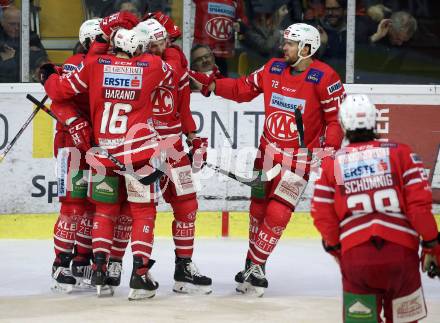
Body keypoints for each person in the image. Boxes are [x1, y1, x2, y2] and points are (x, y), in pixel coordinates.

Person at [190, 23, 345, 296]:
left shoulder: (325, 77)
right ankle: (253, 264)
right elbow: (241, 89)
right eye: (284, 42)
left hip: (299, 160)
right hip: (266, 156)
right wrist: (213, 84)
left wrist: (329, 149)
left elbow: (336, 120)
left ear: (307, 48)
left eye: (289, 43)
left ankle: (256, 264)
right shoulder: (273, 68)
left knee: (278, 212)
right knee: (258, 210)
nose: (283, 47)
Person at [42, 12, 177, 300]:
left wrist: (48, 76)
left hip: (101, 151)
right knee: (138, 212)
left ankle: (99, 266)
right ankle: (136, 273)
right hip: (135, 154)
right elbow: (173, 72)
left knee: (102, 210)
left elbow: (58, 89)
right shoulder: (151, 65)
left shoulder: (94, 65)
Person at [311, 94, 440, 323]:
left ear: (342, 125)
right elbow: (419, 208)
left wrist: (336, 247)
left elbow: (322, 212)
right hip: (401, 257)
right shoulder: (401, 154)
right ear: (374, 122)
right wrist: (432, 245)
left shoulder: (335, 163)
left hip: (356, 258)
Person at [45, 18, 102, 293]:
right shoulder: (76, 61)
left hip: (100, 144)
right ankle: (60, 263)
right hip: (72, 144)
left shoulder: (109, 63)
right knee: (73, 205)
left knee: (93, 205)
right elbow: (59, 97)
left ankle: (82, 258)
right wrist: (72, 121)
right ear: (91, 40)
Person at [192, 0, 248, 76]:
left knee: (221, 84)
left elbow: (243, 20)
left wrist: (240, 25)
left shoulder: (237, 2)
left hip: (224, 54)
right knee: (199, 82)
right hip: (202, 51)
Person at [0, 5, 47, 82]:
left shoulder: (31, 36)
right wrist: (25, 53)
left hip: (24, 84)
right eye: (12, 24)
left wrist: (12, 57)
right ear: (2, 23)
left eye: (19, 24)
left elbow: (42, 60)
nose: (17, 28)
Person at [241, 1, 290, 71]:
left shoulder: (276, 26)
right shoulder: (251, 30)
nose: (286, 12)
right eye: (283, 9)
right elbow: (266, 47)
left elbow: (282, 46)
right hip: (258, 67)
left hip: (277, 68)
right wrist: (277, 30)